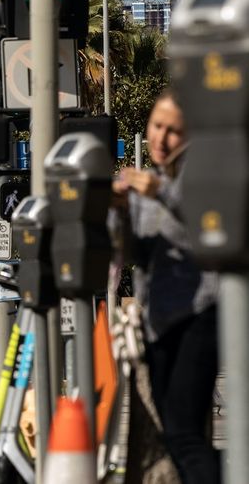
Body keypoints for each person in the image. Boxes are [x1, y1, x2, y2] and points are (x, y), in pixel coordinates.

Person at [112, 91, 220, 483]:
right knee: (174, 432)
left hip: (199, 315)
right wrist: (120, 212)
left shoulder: (201, 175)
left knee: (184, 433)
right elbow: (135, 252)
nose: (161, 138)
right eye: (157, 126)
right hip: (159, 321)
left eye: (173, 130)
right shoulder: (150, 184)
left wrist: (158, 191)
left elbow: (210, 223)